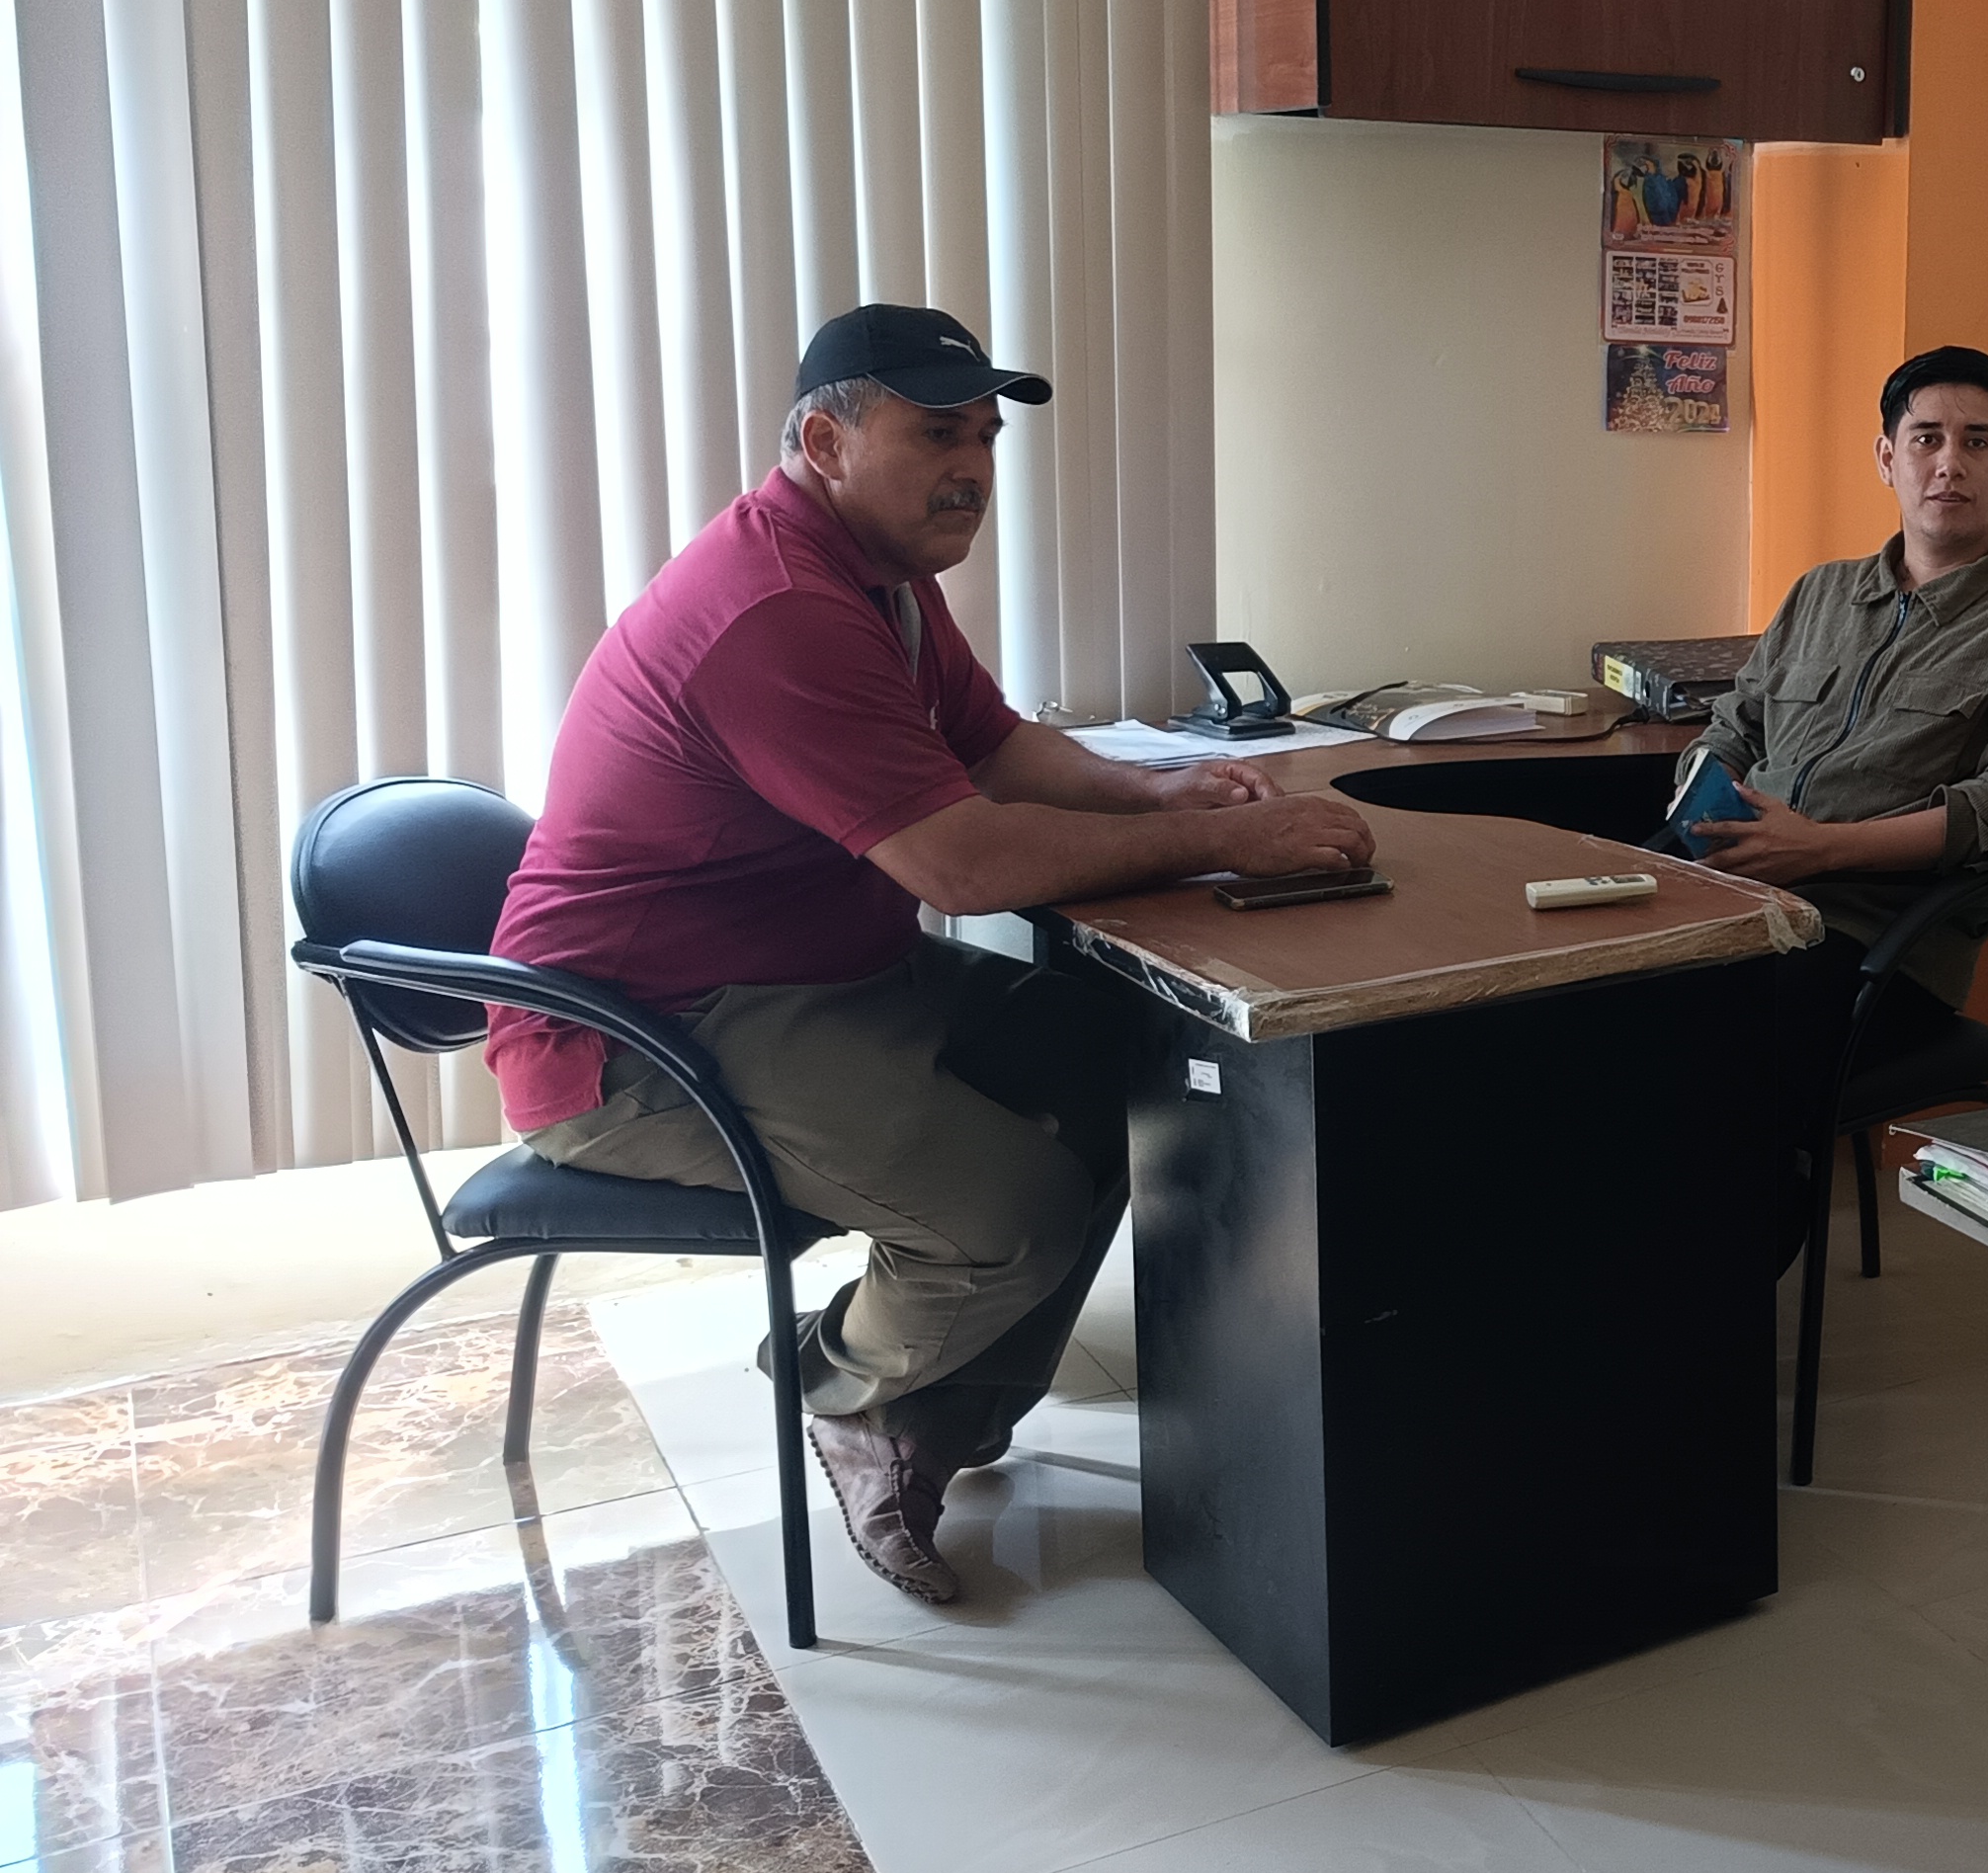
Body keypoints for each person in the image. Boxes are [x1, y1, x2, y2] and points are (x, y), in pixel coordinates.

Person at [491, 306, 1379, 1603]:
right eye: (935, 436)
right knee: (1012, 1220)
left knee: (1117, 1062)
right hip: (641, 1033)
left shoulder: (879, 574)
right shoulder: (776, 608)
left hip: (820, 978)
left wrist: (1168, 793)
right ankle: (841, 1387)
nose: (971, 468)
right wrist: (1225, 846)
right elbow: (960, 866)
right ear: (825, 443)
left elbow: (996, 748)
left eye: (983, 438)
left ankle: (933, 1417)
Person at [1678, 345, 1988, 1228]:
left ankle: (1711, 1292)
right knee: (1572, 1014)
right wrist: (1704, 800)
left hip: (1876, 944)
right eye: (1926, 438)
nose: (1950, 462)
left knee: (1707, 1067)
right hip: (1728, 895)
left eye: (1978, 441)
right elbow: (1732, 729)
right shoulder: (1820, 594)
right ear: (1888, 457)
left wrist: (1820, 850)